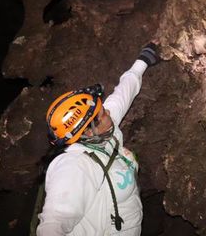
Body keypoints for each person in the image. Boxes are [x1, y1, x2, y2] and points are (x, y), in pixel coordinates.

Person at [37, 42, 160, 236]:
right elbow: (53, 224)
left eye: (102, 110)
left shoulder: (102, 133)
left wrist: (142, 61)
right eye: (102, 115)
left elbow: (122, 94)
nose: (109, 113)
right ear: (86, 132)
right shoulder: (75, 167)